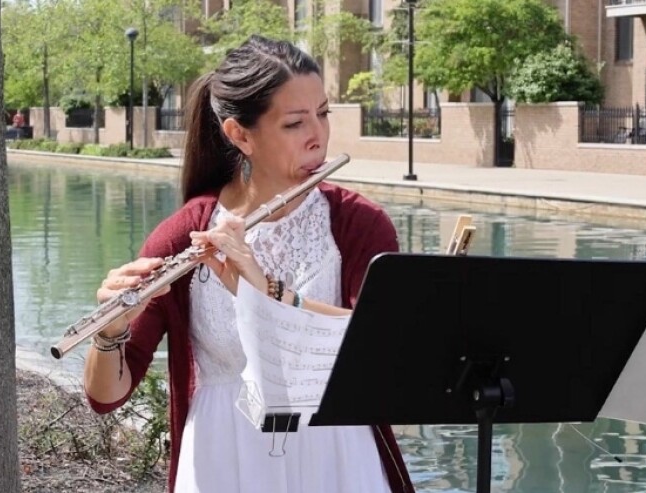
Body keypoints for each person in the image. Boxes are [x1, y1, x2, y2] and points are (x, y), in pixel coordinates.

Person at [83, 35, 415, 493]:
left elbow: (380, 347)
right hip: (225, 460)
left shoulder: (357, 223)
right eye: (295, 123)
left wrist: (267, 293)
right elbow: (106, 396)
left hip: (335, 457)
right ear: (240, 134)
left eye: (323, 114)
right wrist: (109, 330)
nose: (317, 137)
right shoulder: (186, 233)